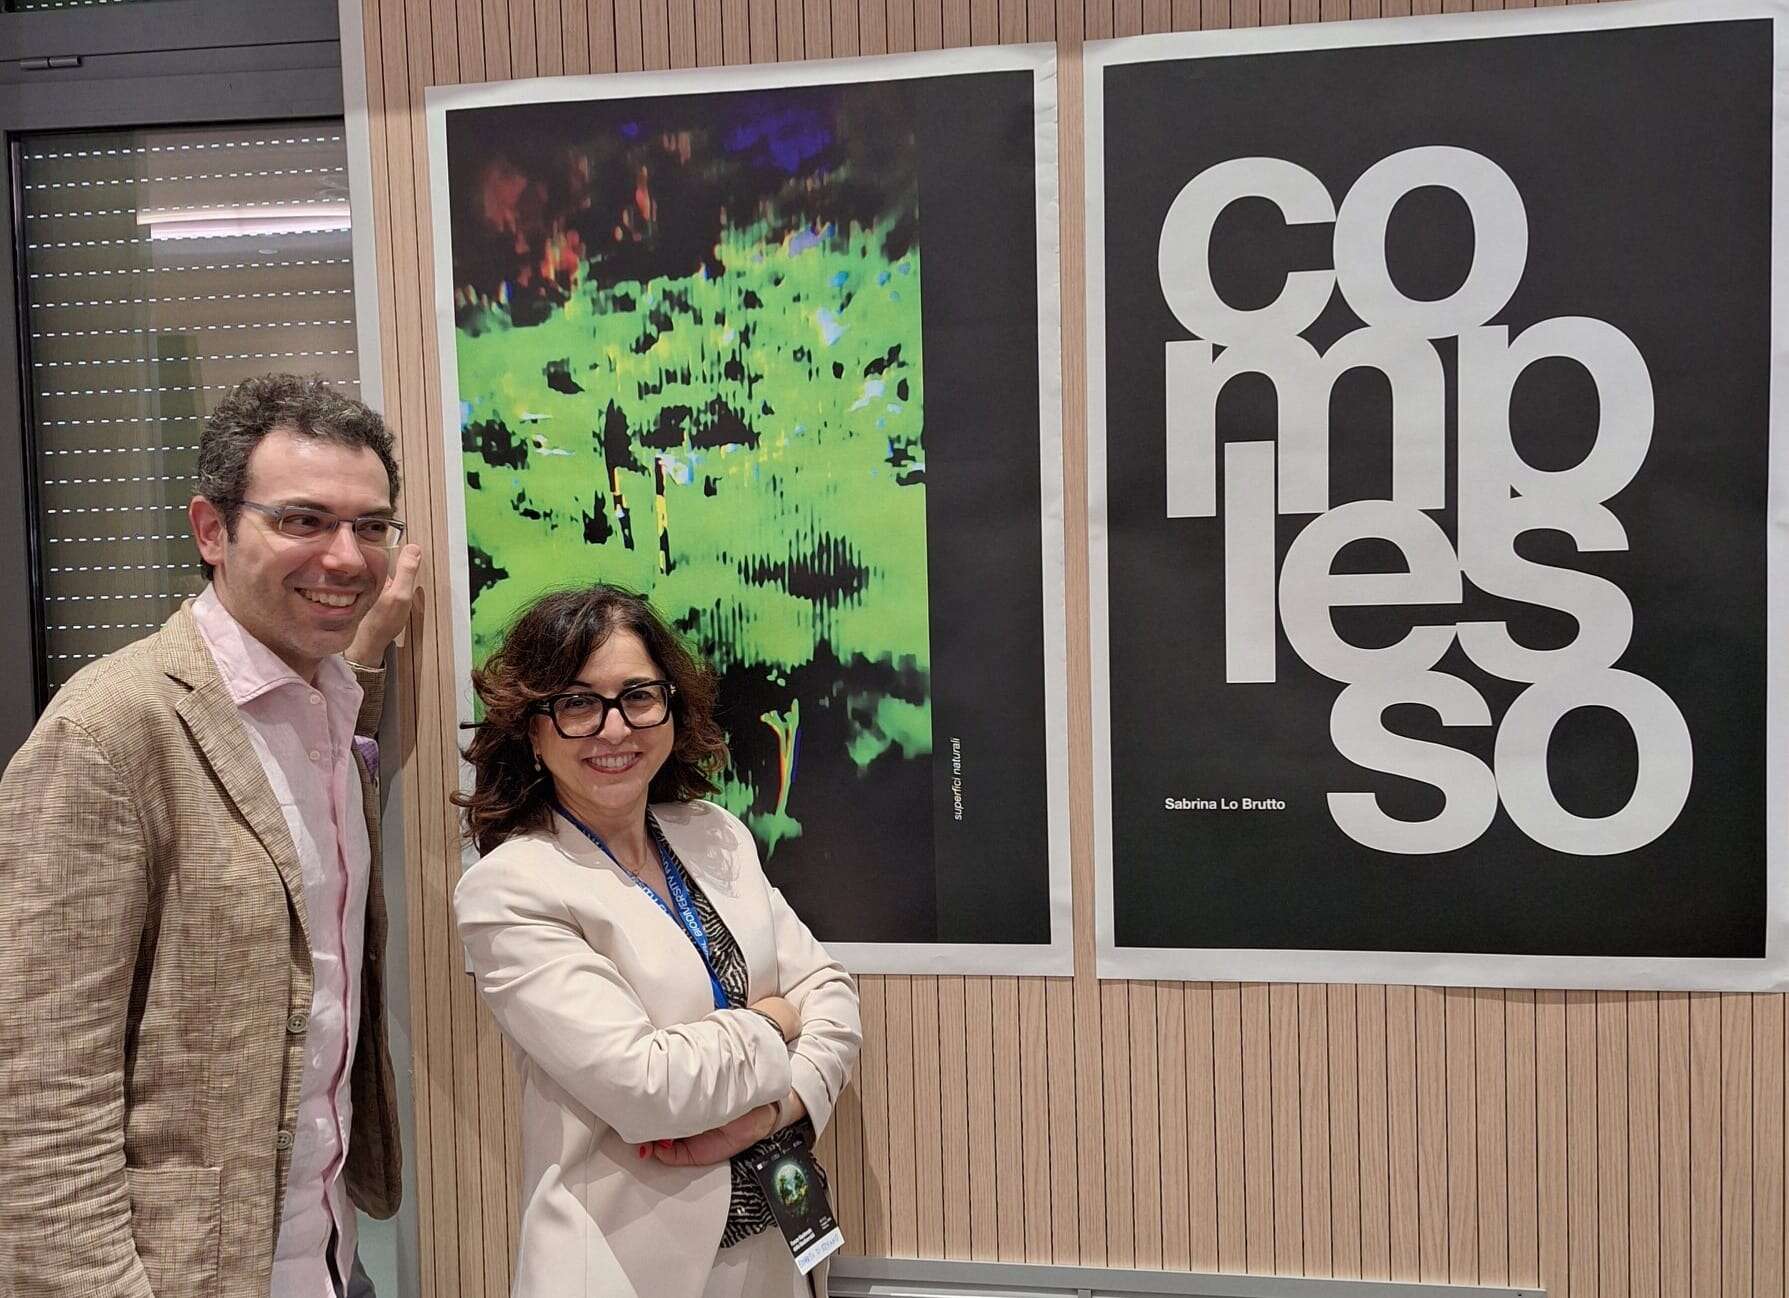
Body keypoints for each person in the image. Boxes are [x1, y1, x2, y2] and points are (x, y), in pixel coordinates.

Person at [0, 374, 422, 1298]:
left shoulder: (330, 706)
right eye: (304, 520)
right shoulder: (110, 733)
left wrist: (375, 643)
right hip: (189, 1271)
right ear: (210, 530)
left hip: (330, 1252)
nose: (345, 557)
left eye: (370, 527)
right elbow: (39, 1093)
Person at [452, 585, 861, 1298]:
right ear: (532, 731)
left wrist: (772, 1112)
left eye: (638, 696)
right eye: (577, 704)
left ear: (671, 708)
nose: (614, 729)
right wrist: (774, 1021)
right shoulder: (511, 888)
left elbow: (831, 995)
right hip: (627, 1267)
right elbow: (648, 1087)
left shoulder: (713, 833)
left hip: (776, 1246)